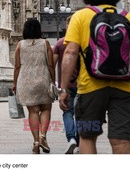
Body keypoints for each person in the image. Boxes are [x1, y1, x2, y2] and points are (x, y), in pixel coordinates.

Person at [59, 0, 130, 154]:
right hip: (126, 90)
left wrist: (64, 88)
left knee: (87, 137)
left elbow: (70, 53)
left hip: (90, 90)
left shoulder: (80, 17)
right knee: (121, 140)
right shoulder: (129, 18)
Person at [12, 18, 55, 154]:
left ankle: (36, 142)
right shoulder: (45, 43)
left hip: (25, 81)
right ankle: (43, 136)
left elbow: (17, 66)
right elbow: (50, 64)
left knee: (33, 111)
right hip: (43, 79)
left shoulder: (20, 45)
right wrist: (53, 80)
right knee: (46, 108)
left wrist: (14, 83)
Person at [52, 16, 79, 154]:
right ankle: (79, 142)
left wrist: (53, 82)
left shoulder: (60, 43)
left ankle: (71, 138)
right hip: (82, 84)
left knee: (67, 112)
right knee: (80, 113)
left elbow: (52, 64)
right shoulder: (83, 42)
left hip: (65, 85)